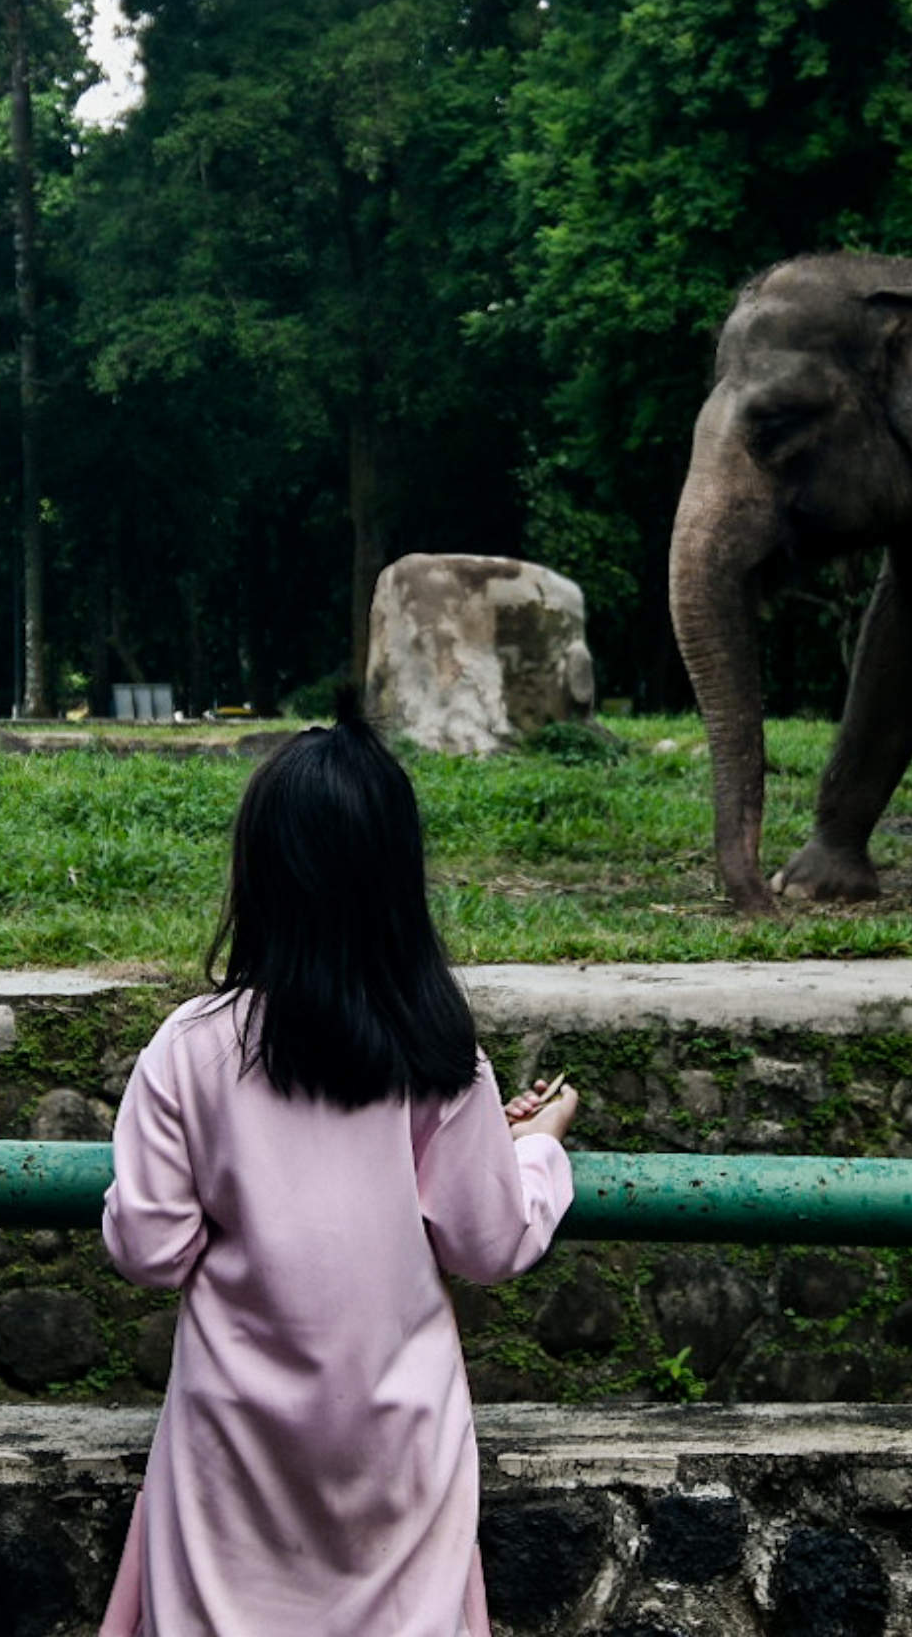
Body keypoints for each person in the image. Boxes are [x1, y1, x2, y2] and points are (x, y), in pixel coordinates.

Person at [99, 691, 580, 1636]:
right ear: (397, 882)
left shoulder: (190, 1048)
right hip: (399, 1456)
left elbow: (149, 1249)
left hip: (233, 1456)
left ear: (260, 875)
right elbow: (488, 1244)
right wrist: (539, 1148)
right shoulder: (440, 1053)